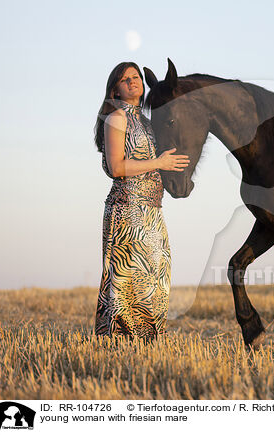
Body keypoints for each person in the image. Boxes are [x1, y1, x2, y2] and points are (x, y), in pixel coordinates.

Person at [93, 62, 189, 342]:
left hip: (152, 210)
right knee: (126, 278)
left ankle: (148, 339)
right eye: (125, 79)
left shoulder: (147, 122)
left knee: (157, 274)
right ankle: (119, 341)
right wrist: (159, 162)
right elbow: (116, 167)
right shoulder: (117, 117)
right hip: (127, 210)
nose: (133, 81)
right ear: (116, 89)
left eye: (136, 77)